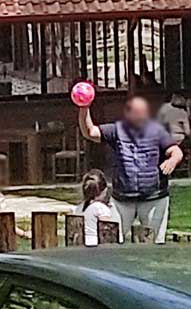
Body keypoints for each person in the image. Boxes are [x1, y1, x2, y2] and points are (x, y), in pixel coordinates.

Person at [78, 95, 182, 243]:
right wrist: (84, 108)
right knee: (111, 242)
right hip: (122, 199)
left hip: (154, 197)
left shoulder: (157, 132)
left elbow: (176, 151)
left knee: (155, 245)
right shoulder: (117, 130)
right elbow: (90, 132)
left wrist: (172, 160)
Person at [78, 170, 117, 246]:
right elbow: (106, 233)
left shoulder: (79, 207)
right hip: (97, 247)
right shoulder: (101, 209)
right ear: (105, 190)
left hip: (81, 244)